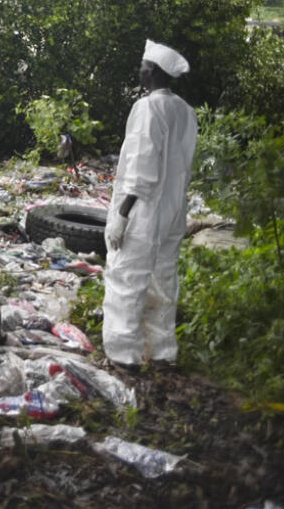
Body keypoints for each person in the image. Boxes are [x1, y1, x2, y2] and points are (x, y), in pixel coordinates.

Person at [102, 40, 198, 371]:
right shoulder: (186, 111)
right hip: (173, 210)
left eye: (143, 66)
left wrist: (122, 215)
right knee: (163, 281)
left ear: (153, 71)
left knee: (126, 279)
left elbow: (142, 169)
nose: (140, 71)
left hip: (144, 210)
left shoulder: (148, 108)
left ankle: (123, 355)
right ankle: (162, 353)